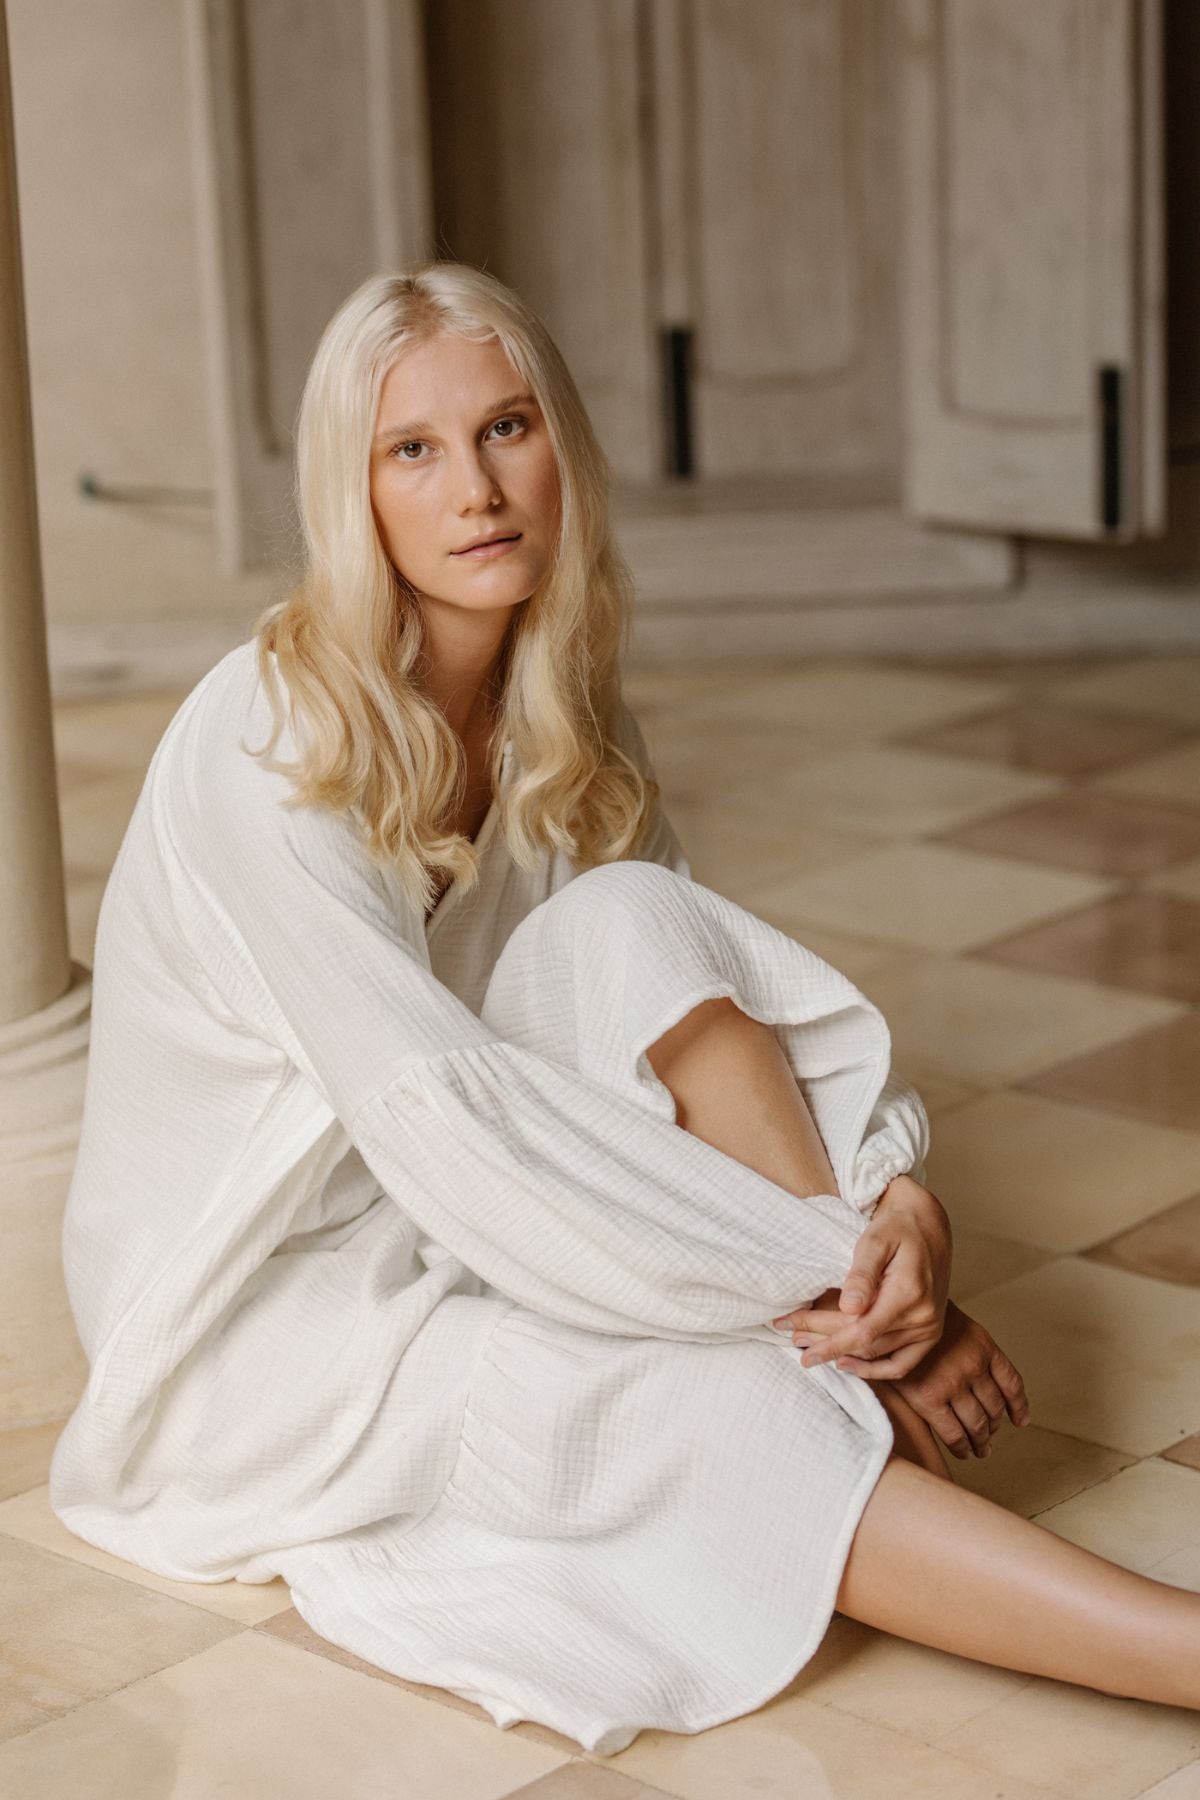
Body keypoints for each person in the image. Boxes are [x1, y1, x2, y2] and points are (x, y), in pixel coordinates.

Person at [49, 263, 1200, 1755]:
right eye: (413, 451)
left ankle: (853, 1346)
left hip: (460, 1206)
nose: (476, 489)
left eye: (506, 427)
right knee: (694, 1410)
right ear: (354, 494)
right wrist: (842, 1283)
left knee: (632, 918)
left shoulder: (564, 715)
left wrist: (895, 1211)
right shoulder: (271, 741)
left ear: (561, 447)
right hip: (268, 1314)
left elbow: (692, 984)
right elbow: (448, 1121)